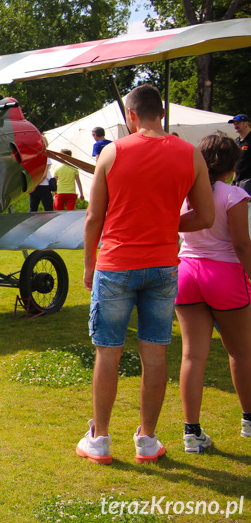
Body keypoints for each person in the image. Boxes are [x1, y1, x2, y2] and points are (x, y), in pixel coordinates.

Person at [77, 83, 214, 465]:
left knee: (108, 352)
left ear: (130, 116)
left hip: (116, 264)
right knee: (155, 352)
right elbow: (205, 216)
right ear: (163, 114)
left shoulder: (111, 152)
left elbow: (93, 217)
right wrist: (168, 222)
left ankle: (100, 438)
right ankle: (147, 440)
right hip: (162, 265)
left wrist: (89, 265)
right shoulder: (190, 155)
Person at [175, 132, 251, 452]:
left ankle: (191, 432)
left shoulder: (184, 192)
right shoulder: (234, 194)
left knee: (192, 354)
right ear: (232, 164)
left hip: (187, 273)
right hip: (225, 275)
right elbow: (241, 244)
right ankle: (249, 420)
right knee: (241, 353)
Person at [230, 114, 251, 191]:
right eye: (234, 123)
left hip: (248, 181)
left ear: (246, 123)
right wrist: (233, 181)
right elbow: (237, 162)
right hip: (239, 181)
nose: (235, 125)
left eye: (238, 123)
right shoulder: (237, 141)